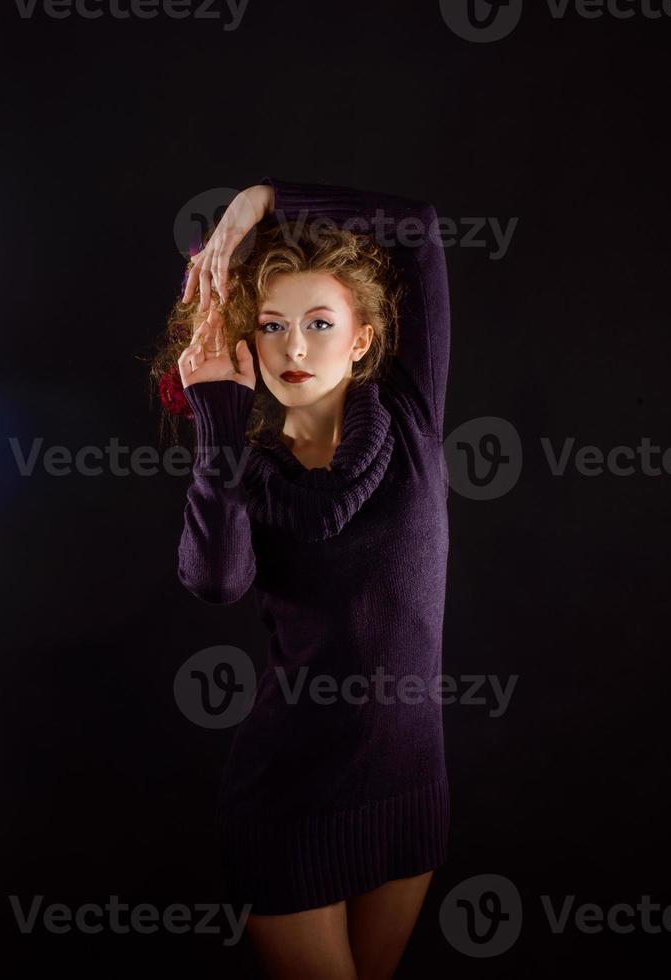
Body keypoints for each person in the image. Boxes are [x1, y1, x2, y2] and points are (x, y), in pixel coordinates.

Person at [154, 177, 452, 978]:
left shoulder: (412, 417)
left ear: (360, 339)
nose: (293, 348)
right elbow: (215, 582)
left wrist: (261, 200)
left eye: (319, 325)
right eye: (273, 327)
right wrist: (216, 421)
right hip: (289, 799)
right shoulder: (247, 472)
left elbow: (413, 221)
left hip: (408, 788)